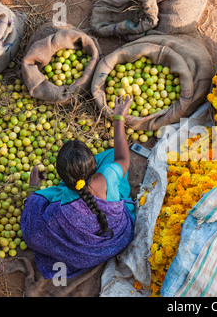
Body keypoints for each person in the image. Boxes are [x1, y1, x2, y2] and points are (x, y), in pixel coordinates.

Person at [21, 95, 136, 279]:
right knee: (111, 157)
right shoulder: (107, 176)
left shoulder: (58, 208)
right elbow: (123, 157)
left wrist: (33, 190)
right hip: (119, 239)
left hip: (85, 257)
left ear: (62, 178)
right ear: (93, 166)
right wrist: (119, 117)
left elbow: (32, 233)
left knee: (45, 195)